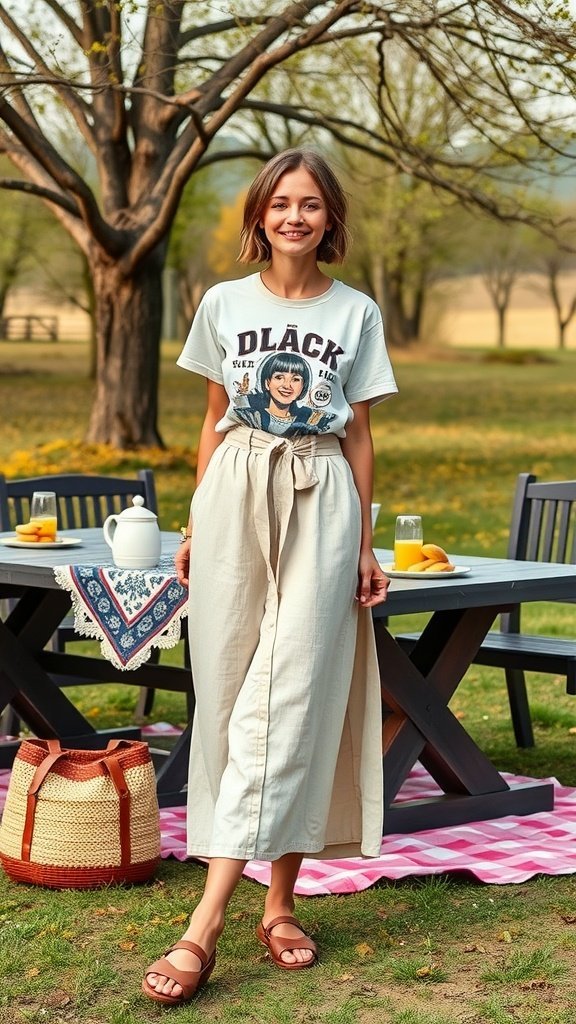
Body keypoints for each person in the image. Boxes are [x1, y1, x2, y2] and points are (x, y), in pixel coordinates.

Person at [142, 148, 398, 1006]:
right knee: (223, 695)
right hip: (233, 496)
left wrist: (363, 541)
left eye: (312, 205)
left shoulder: (356, 311)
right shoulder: (223, 303)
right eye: (282, 203)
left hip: (320, 491)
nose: (296, 217)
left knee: (296, 690)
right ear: (260, 215)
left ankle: (207, 924)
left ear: (331, 221)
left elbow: (359, 434)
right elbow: (213, 419)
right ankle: (278, 906)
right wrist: (192, 517)